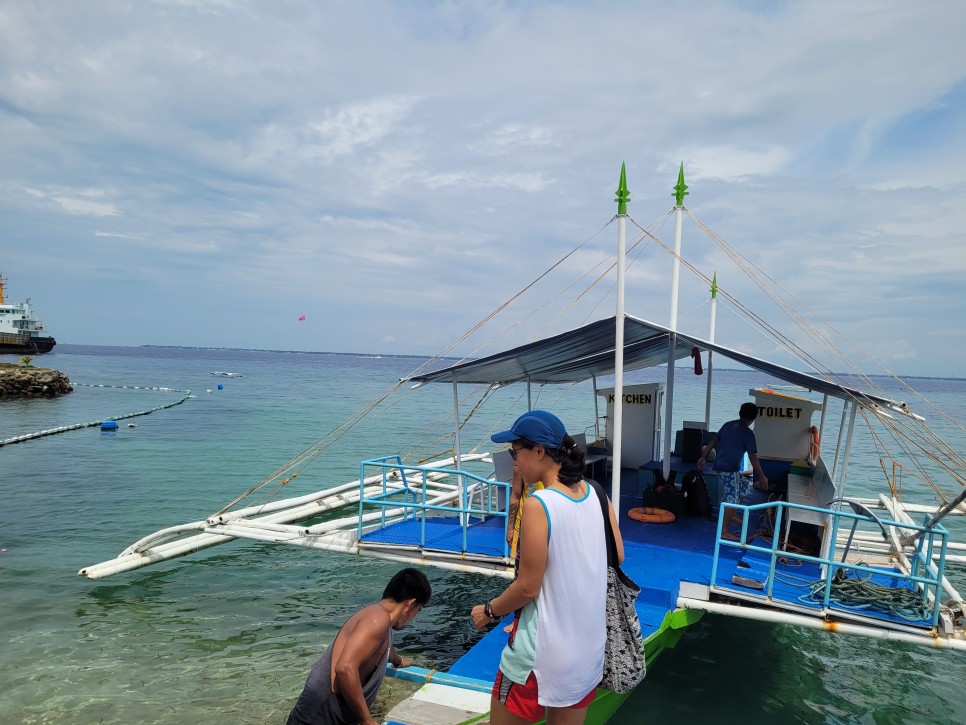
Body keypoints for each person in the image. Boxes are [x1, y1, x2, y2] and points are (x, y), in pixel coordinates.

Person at [471, 410, 623, 725]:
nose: (514, 462)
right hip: (586, 653)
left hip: (539, 658)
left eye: (516, 452)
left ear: (540, 451)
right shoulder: (596, 492)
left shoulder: (541, 505)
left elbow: (528, 587)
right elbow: (617, 555)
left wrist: (489, 611)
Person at [287, 567, 431, 725]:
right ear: (411, 604)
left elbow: (381, 648)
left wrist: (398, 660)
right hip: (318, 717)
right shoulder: (377, 619)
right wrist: (366, 720)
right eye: (419, 609)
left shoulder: (381, 619)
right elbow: (345, 668)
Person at [697, 402, 769, 541]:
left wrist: (704, 456)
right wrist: (761, 475)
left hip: (723, 466)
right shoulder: (748, 434)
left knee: (743, 486)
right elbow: (753, 456)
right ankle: (724, 531)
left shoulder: (728, 424)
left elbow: (714, 440)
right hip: (728, 469)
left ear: (740, 413)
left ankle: (732, 514)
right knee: (732, 498)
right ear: (753, 418)